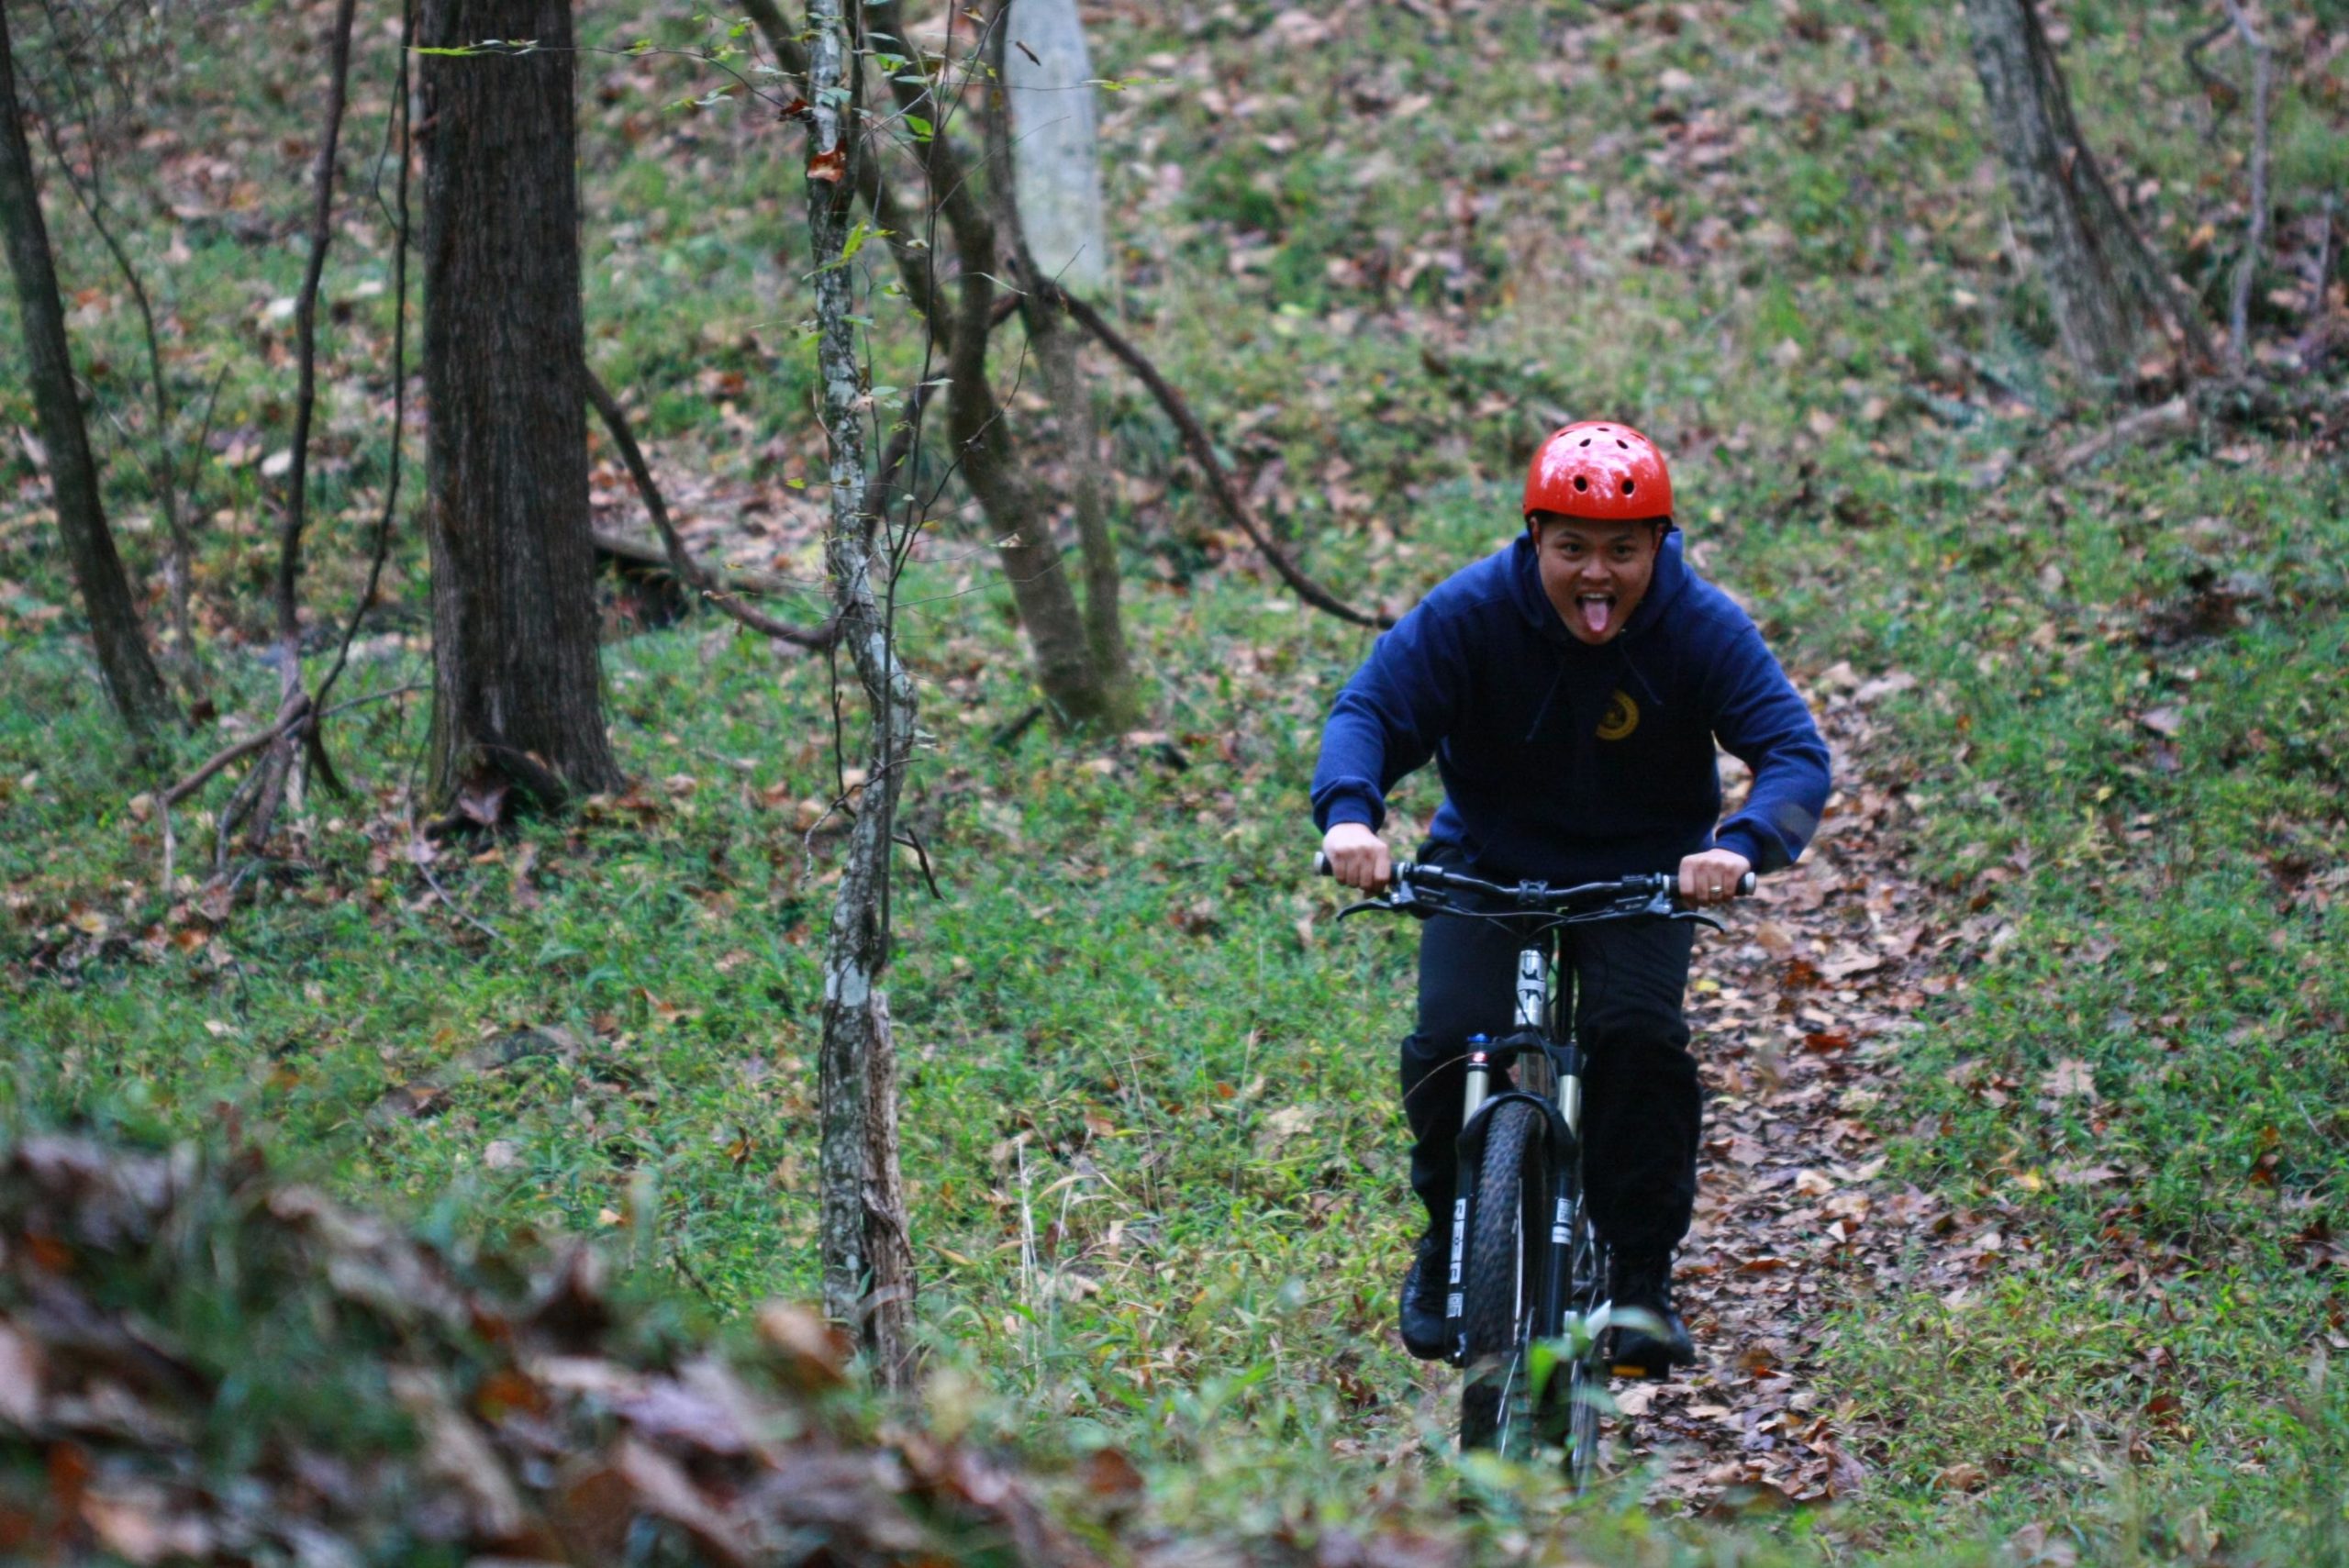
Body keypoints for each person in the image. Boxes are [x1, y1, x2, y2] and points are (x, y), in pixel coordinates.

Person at [1310, 421, 1831, 1373]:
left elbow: (1794, 752)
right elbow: (1371, 710)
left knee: (1636, 1041)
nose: (1598, 574)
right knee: (1445, 1042)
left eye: (1623, 550)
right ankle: (1449, 1235)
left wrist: (1741, 843)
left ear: (1659, 546)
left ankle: (1637, 1277)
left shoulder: (1698, 624)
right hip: (1489, 859)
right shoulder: (1472, 612)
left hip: (1642, 870)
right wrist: (1351, 817)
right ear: (1535, 539)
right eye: (1574, 548)